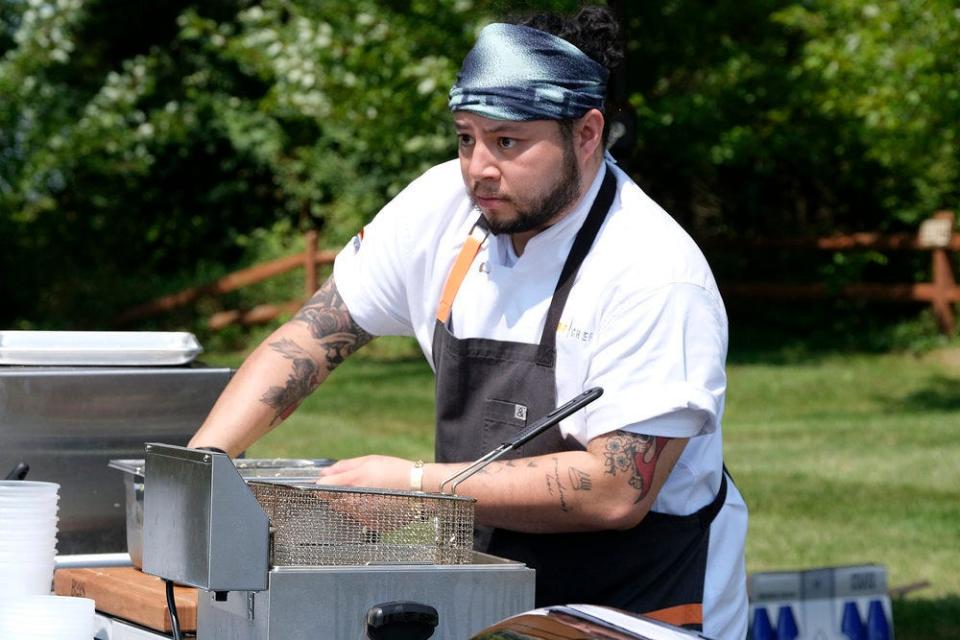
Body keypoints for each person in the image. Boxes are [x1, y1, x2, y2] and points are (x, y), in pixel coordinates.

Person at [189, 6, 748, 638]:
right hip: (490, 591)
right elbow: (313, 335)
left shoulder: (653, 271)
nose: (478, 167)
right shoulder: (441, 208)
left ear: (588, 134)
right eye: (465, 137)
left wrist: (414, 486)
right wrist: (204, 465)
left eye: (508, 141)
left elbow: (616, 488)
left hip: (637, 607)